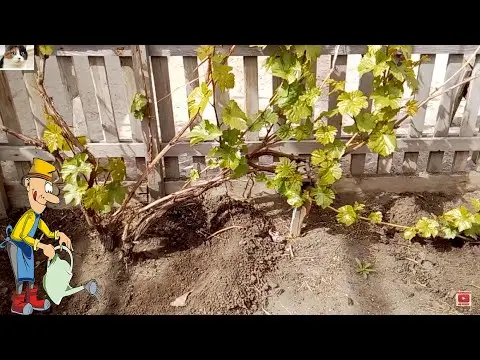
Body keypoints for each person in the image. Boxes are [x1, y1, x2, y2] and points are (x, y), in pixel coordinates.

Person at [4, 158, 72, 315]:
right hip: (16, 245)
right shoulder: (29, 217)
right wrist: (42, 246)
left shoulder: (37, 218)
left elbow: (47, 233)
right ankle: (18, 303)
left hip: (26, 246)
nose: (43, 200)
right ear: (30, 188)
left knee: (30, 275)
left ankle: (32, 299)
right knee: (21, 276)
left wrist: (58, 234)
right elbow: (22, 236)